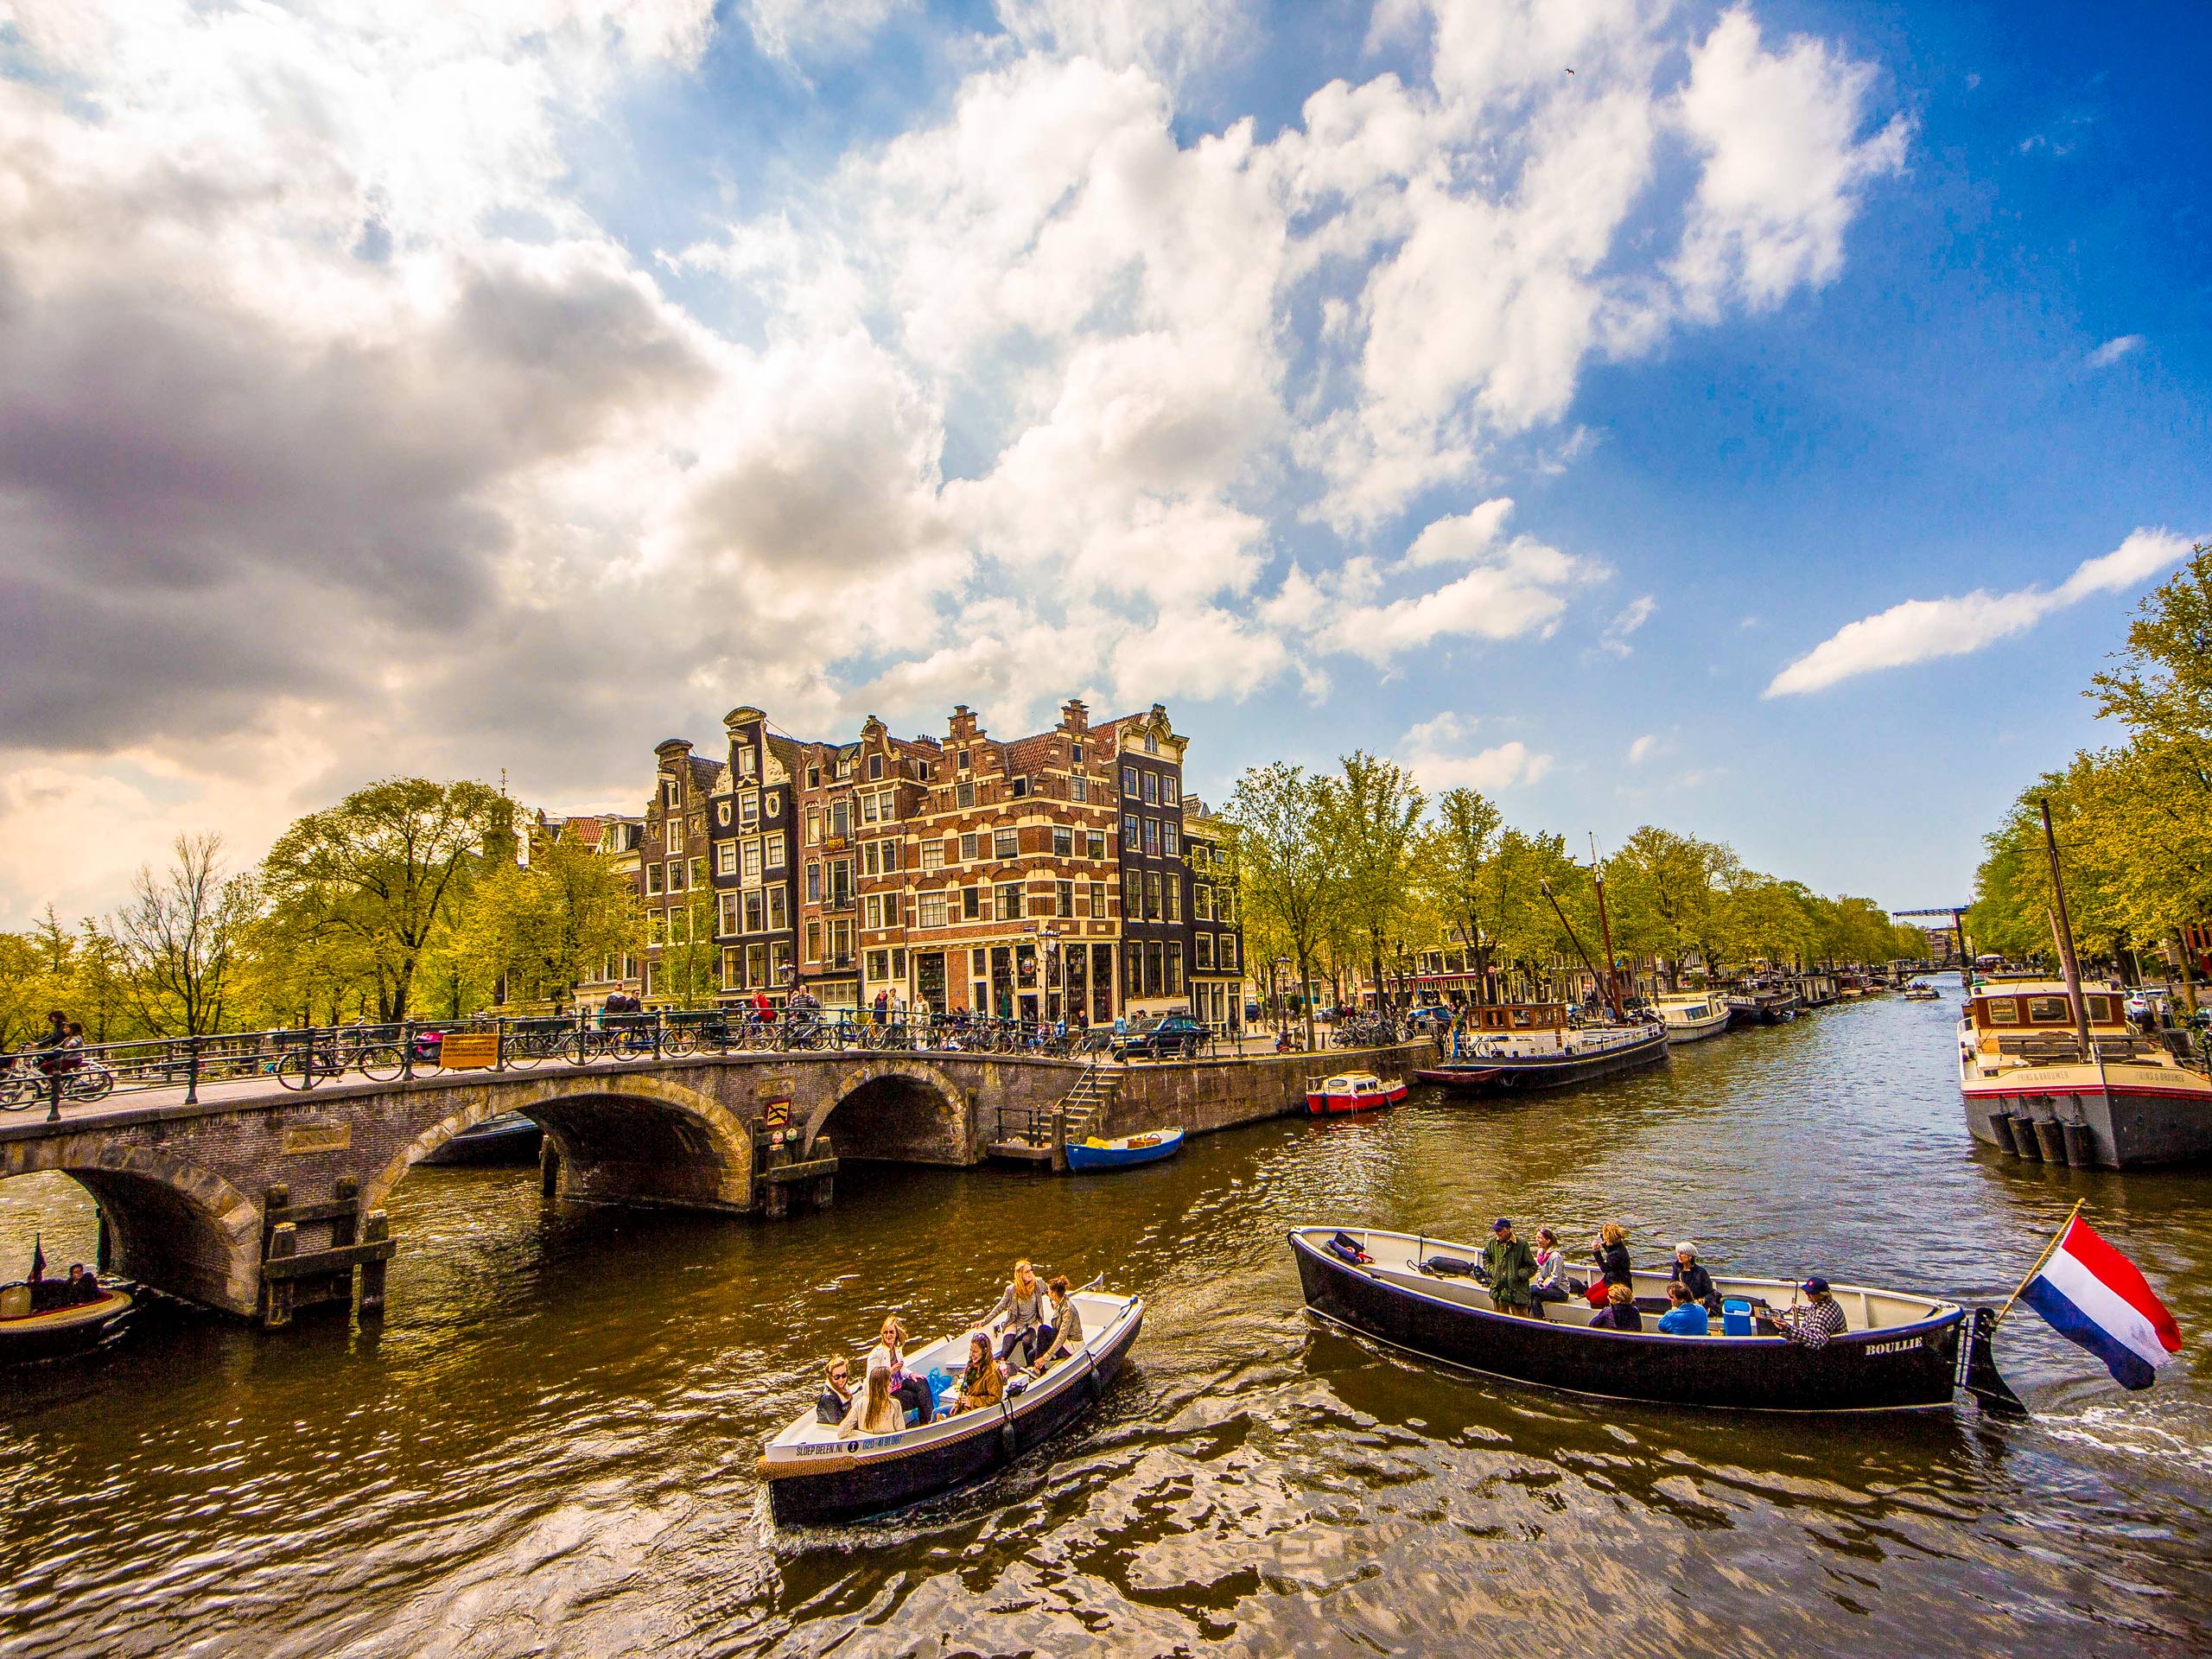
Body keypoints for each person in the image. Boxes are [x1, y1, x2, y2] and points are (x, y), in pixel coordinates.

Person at [866, 1314, 934, 1425]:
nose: (888, 1335)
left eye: (891, 1332)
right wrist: (889, 1372)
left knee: (922, 1382)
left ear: (896, 1333)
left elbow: (901, 1369)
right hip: (887, 1391)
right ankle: (926, 1422)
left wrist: (911, 1374)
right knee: (918, 1398)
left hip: (899, 1383)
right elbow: (872, 1380)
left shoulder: (897, 1348)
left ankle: (929, 1420)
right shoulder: (876, 1354)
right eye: (886, 1332)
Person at [986, 1260, 1048, 1367]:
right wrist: (984, 1321)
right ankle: (997, 1371)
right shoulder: (1011, 1290)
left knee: (1027, 1342)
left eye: (1031, 1270)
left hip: (1032, 1322)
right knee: (1005, 1351)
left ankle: (1031, 1368)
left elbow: (1052, 1293)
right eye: (1027, 1272)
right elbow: (1000, 1306)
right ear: (1020, 1275)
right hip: (1015, 1323)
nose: (1030, 1274)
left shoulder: (1038, 1283)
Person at [1481, 1218, 1537, 1317]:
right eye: (1495, 1231)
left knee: (1521, 1324)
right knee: (1500, 1324)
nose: (1497, 1234)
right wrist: (1493, 1271)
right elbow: (1486, 1259)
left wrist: (1518, 1275)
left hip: (1517, 1293)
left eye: (1499, 1231)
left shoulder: (1522, 1245)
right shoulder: (1492, 1243)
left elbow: (1532, 1267)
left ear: (1507, 1230)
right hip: (1499, 1292)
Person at [1027, 1276, 1084, 1375]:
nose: (1047, 1293)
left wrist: (1046, 1357)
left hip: (1072, 1346)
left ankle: (1038, 1369)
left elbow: (1062, 1336)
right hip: (1064, 1343)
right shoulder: (1058, 1303)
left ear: (1053, 1293)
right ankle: (1041, 1372)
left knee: (1043, 1329)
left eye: (1049, 1291)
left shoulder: (1067, 1309)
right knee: (1031, 1355)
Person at [837, 1363, 906, 1437]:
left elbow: (841, 1432)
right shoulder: (895, 1404)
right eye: (890, 1379)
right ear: (884, 1384)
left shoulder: (861, 1402)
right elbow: (902, 1435)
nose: (892, 1382)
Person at [1777, 1277, 1849, 1347]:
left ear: (1821, 1295)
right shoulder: (1826, 1302)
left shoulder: (1824, 1315)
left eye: (1810, 1292)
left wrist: (1788, 1328)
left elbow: (1817, 1342)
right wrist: (1799, 1309)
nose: (1806, 1293)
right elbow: (1813, 1312)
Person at [955, 1332, 1005, 1413]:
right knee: (936, 1412)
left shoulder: (991, 1372)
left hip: (974, 1410)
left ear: (984, 1351)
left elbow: (996, 1398)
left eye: (975, 1352)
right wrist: (957, 1403)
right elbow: (964, 1388)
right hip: (964, 1407)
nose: (971, 1355)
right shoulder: (971, 1366)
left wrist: (972, 1401)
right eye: (971, 1351)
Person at [1669, 1243, 1721, 1313]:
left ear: (1690, 1256)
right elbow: (1673, 1284)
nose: (1678, 1255)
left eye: (1681, 1253)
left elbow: (1711, 1293)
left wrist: (1703, 1299)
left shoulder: (1701, 1272)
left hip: (1697, 1304)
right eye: (1678, 1253)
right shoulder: (1677, 1268)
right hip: (1682, 1302)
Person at [1530, 1228, 1572, 1307]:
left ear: (1548, 1240)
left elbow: (1556, 1279)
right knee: (1535, 1299)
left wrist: (1543, 1286)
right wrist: (1540, 1281)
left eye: (1540, 1238)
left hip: (1560, 1291)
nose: (1537, 1240)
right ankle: (1538, 1318)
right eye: (1536, 1237)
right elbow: (1539, 1271)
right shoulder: (1540, 1253)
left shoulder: (1556, 1256)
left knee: (1531, 1289)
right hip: (1547, 1287)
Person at [1590, 1224, 1632, 1292]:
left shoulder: (1615, 1254)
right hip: (1611, 1278)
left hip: (1617, 1285)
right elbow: (1611, 1248)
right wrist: (1603, 1243)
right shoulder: (1619, 1245)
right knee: (1589, 1292)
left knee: (1593, 1298)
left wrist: (1596, 1251)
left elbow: (1604, 1268)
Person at [815, 1357, 855, 1426]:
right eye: (837, 1377)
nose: (841, 1380)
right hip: (831, 1431)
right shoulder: (828, 1398)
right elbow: (838, 1423)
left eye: (844, 1375)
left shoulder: (844, 1387)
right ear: (831, 1377)